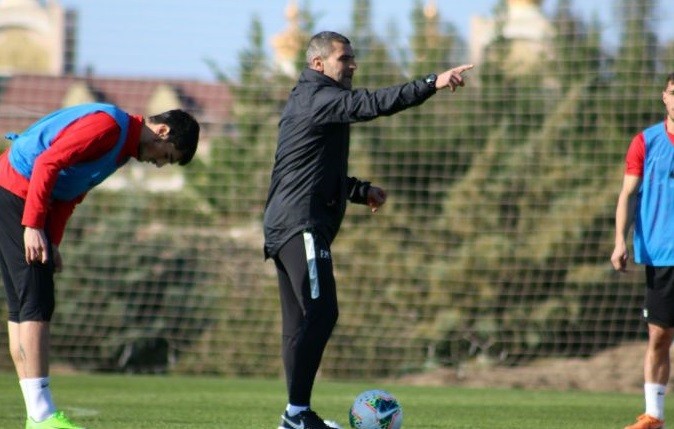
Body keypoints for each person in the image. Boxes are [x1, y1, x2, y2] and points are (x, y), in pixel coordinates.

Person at [263, 30, 473, 429]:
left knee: (300, 323)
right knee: (322, 313)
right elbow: (373, 103)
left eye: (352, 57)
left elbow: (311, 171)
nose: (353, 65)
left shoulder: (309, 99)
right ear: (318, 64)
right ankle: (296, 415)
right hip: (300, 223)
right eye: (344, 59)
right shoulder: (319, 97)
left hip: (286, 222)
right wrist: (432, 82)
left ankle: (295, 415)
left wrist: (359, 191)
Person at [0, 103, 200, 429]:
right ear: (162, 132)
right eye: (167, 156)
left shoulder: (121, 149)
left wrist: (53, 240)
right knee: (35, 303)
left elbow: (71, 193)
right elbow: (48, 162)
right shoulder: (108, 127)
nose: (160, 164)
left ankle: (36, 415)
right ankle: (41, 416)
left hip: (13, 193)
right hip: (16, 193)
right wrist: (33, 225)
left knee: (23, 306)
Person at [612, 72, 674, 429]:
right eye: (673, 92)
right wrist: (620, 240)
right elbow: (628, 194)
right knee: (659, 335)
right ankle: (654, 415)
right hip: (661, 254)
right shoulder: (645, 142)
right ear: (664, 97)